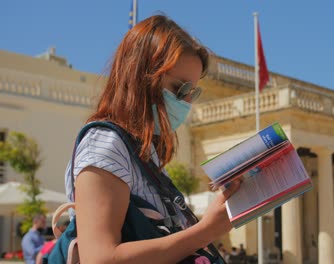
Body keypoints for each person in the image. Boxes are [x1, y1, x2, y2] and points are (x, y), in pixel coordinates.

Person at [63, 14, 241, 263]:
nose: (187, 102)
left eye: (193, 92)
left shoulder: (143, 152)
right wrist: (206, 231)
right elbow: (100, 258)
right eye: (181, 89)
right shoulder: (105, 144)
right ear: (141, 78)